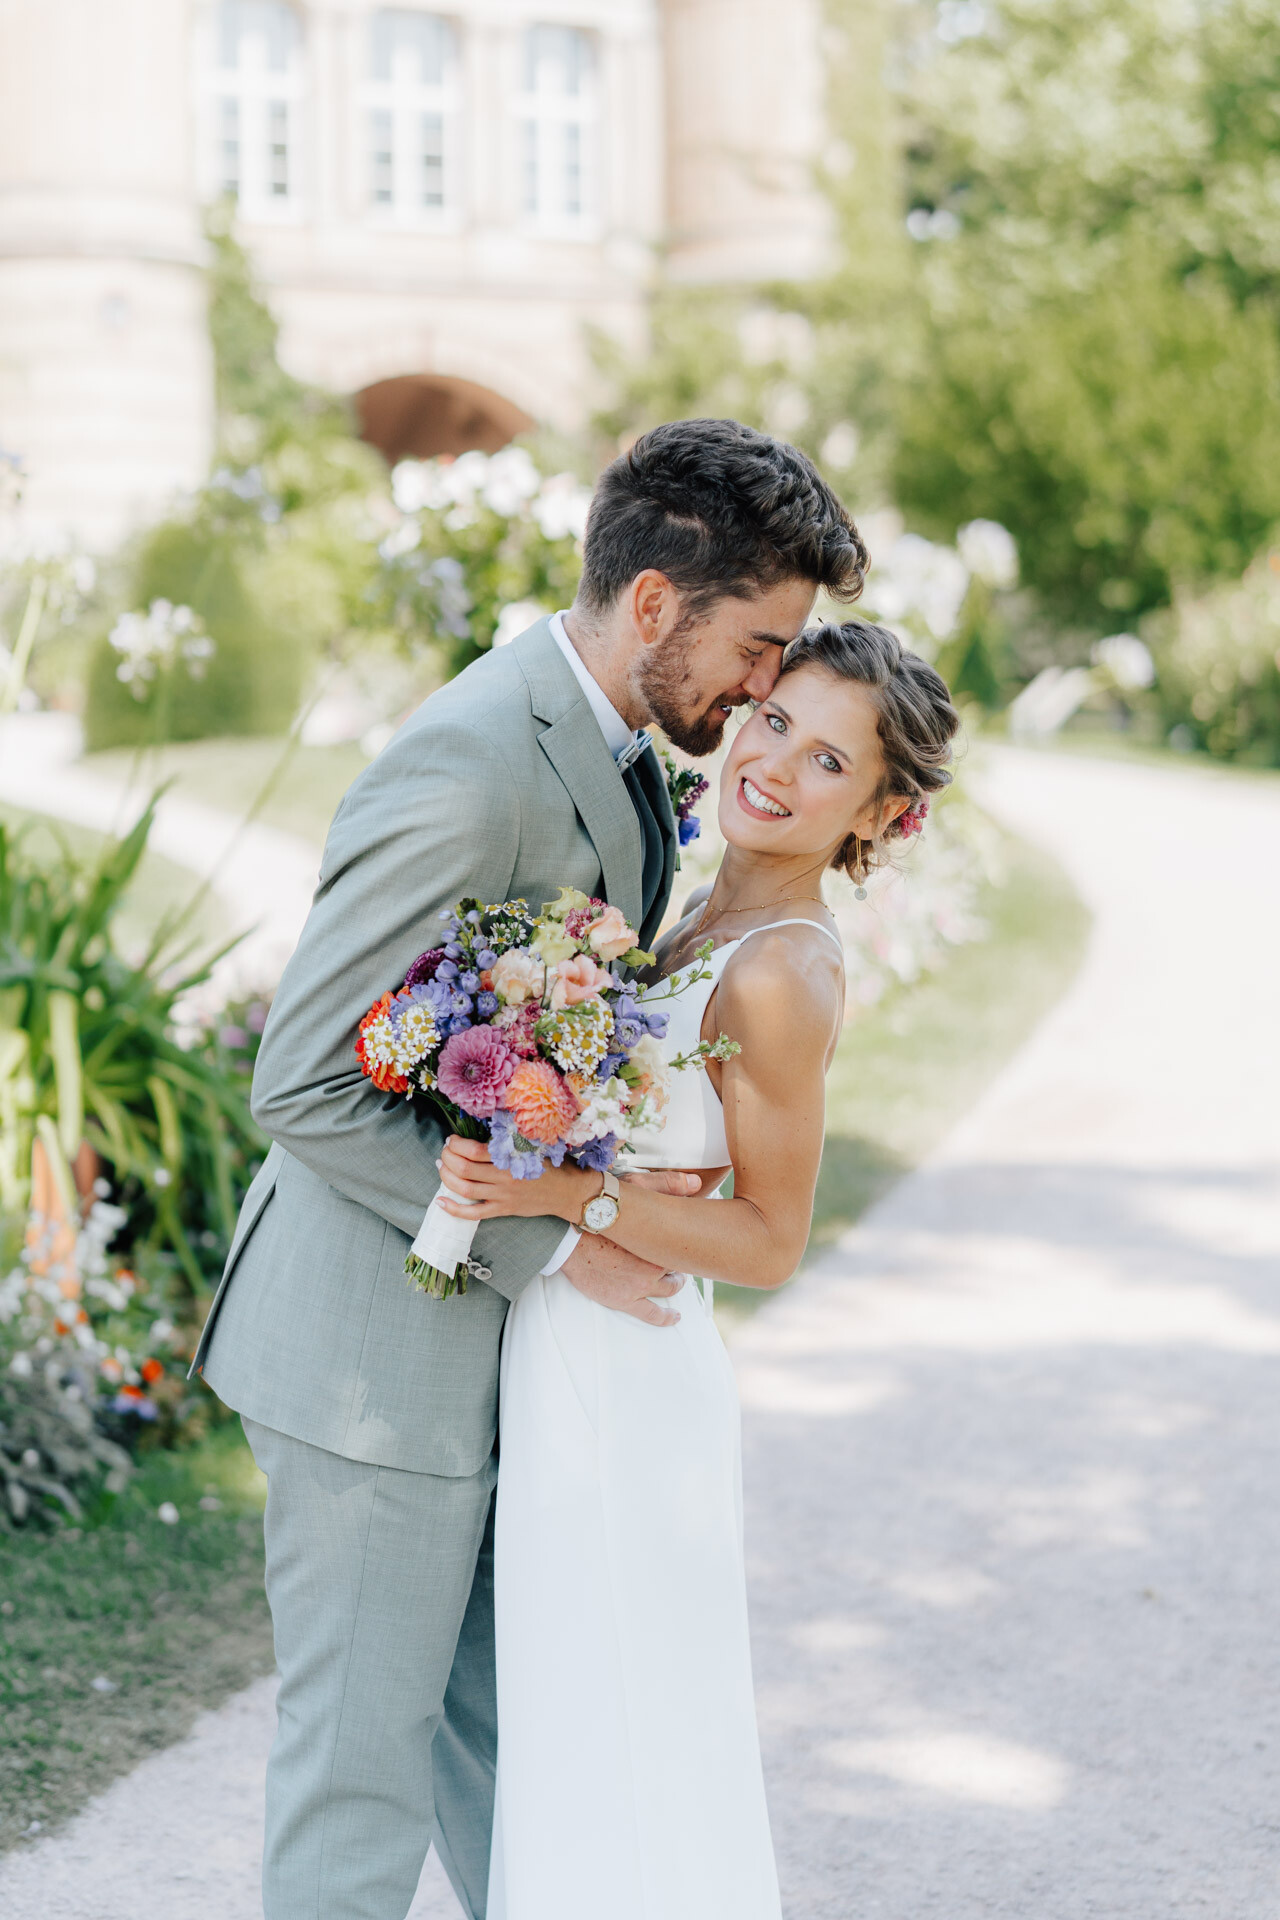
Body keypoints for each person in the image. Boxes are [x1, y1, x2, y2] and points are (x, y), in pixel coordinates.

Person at [189, 418, 867, 1920]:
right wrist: (562, 1243)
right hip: (374, 1358)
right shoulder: (472, 759)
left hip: (503, 1372)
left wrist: (612, 1173)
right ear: (652, 607)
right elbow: (303, 1077)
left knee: (523, 1759)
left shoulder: (623, 749)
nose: (764, 688)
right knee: (360, 1781)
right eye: (757, 647)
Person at [438, 616, 961, 1919]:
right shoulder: (686, 903)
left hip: (634, 1392)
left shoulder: (782, 971)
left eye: (830, 763)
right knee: (570, 1732)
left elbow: (771, 1240)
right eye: (778, 718)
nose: (776, 764)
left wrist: (570, 1197)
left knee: (627, 1734)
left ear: (877, 817)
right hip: (565, 1354)